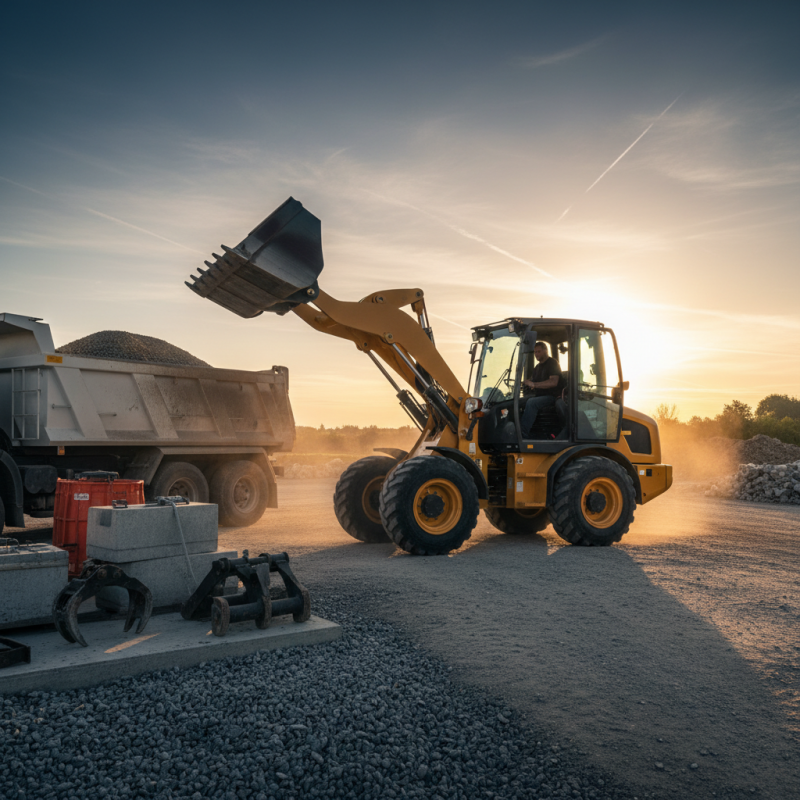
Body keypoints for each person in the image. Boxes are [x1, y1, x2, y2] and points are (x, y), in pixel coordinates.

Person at [521, 342, 563, 438]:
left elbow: (553, 382)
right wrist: (526, 382)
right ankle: (516, 430)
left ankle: (522, 434)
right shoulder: (537, 368)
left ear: (545, 351)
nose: (536, 354)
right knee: (518, 401)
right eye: (535, 352)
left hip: (552, 397)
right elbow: (532, 380)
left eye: (539, 351)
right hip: (539, 396)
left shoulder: (553, 363)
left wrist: (533, 384)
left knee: (532, 403)